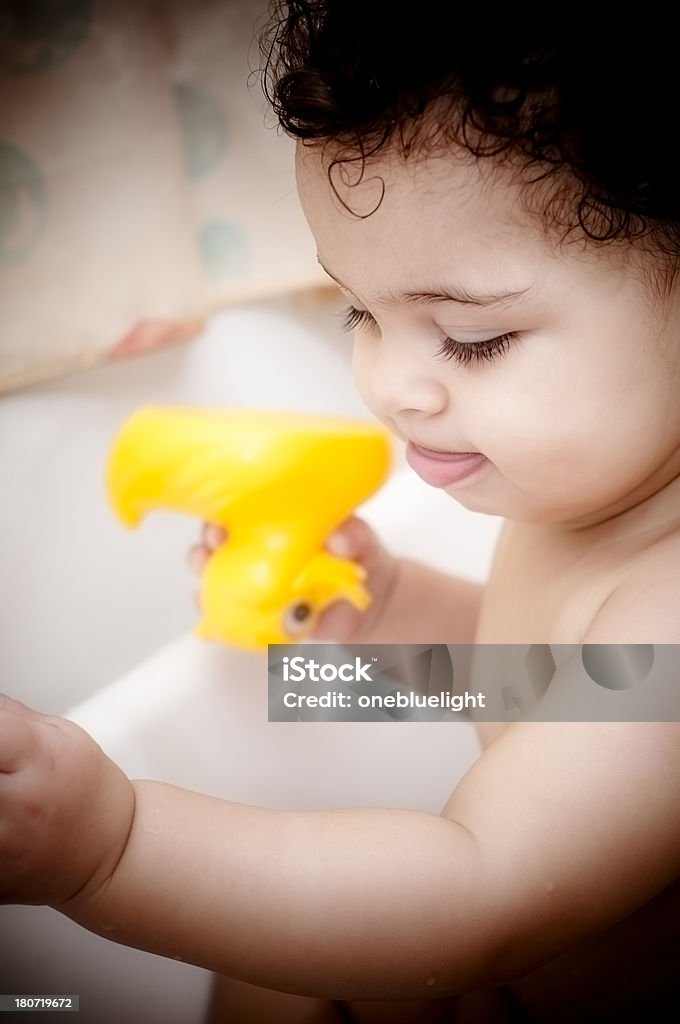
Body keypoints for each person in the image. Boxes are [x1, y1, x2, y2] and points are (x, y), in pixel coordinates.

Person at [2, 4, 679, 1021]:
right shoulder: (585, 477)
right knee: (267, 978)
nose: (391, 384)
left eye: (470, 337)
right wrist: (384, 611)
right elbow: (557, 689)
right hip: (515, 965)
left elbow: (473, 887)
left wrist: (110, 847)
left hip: (514, 953)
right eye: (358, 311)